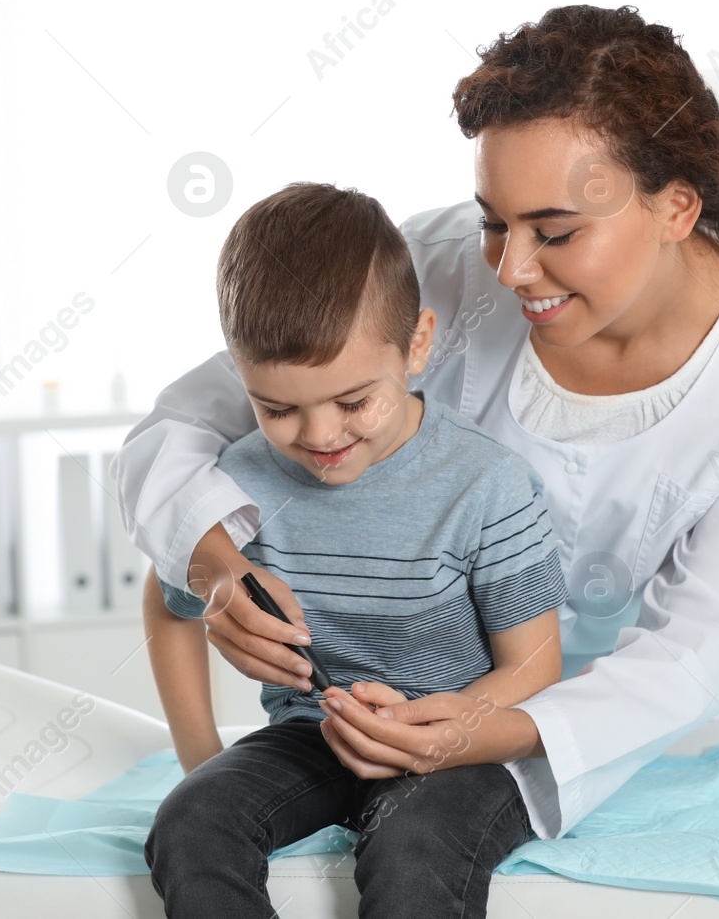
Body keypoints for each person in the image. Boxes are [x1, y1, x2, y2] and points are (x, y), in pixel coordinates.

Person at [111, 3, 719, 844]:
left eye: (557, 231)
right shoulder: (430, 269)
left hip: (659, 733)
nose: (511, 268)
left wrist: (485, 724)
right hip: (409, 716)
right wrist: (216, 571)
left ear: (677, 208)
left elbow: (699, 643)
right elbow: (174, 429)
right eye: (494, 221)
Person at [139, 181, 569, 918]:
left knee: (414, 845)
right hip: (311, 738)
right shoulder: (235, 485)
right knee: (191, 821)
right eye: (278, 408)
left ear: (418, 345)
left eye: (352, 401)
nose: (319, 435)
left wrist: (434, 725)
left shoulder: (489, 486)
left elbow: (534, 662)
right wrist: (201, 756)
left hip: (459, 744)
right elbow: (169, 598)